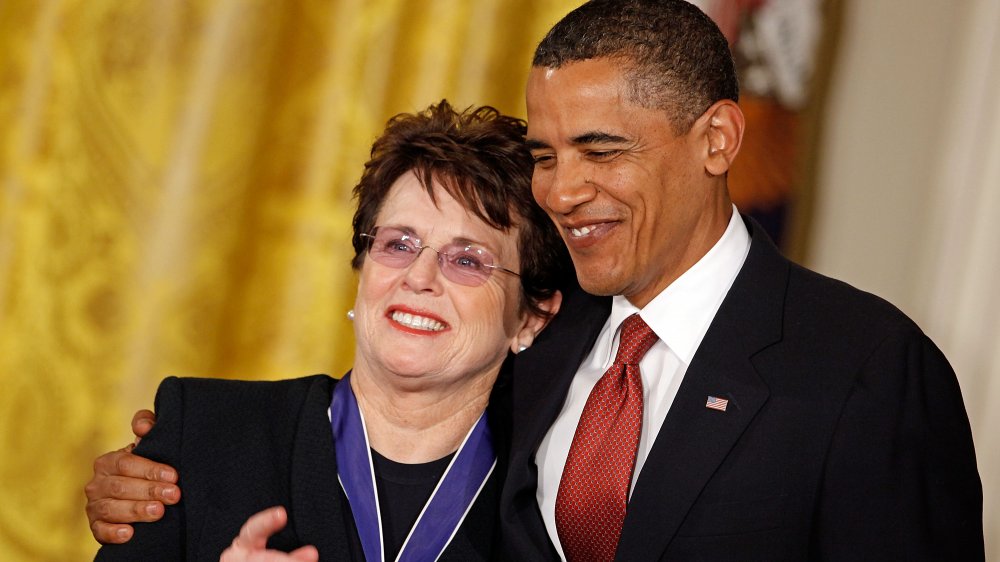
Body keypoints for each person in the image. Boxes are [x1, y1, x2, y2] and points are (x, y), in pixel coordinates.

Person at [88, 1, 985, 560]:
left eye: (602, 150)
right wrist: (169, 488)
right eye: (549, 154)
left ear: (717, 140)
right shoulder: (537, 340)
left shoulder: (865, 372)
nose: (562, 188)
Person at [91, 100, 569, 560]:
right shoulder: (202, 433)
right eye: (398, 244)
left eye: (467, 260)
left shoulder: (556, 499)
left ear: (532, 317)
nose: (419, 278)